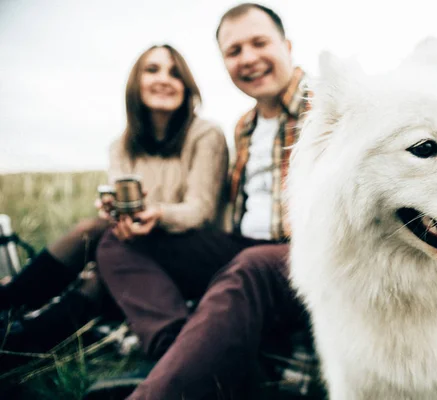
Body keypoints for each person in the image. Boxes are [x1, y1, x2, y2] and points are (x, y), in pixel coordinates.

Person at [104, 3, 320, 399]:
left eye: (259, 43)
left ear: (287, 46)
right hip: (244, 249)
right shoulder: (245, 125)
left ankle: (159, 390)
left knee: (250, 266)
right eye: (234, 51)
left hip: (305, 258)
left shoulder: (327, 106)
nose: (248, 58)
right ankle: (181, 353)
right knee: (117, 240)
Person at [0, 44, 229, 367]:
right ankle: (16, 339)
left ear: (187, 84)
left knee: (98, 237)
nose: (164, 79)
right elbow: (124, 210)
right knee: (101, 238)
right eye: (152, 69)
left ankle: (13, 314)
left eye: (175, 72)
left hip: (194, 250)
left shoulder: (206, 134)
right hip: (139, 245)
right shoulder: (121, 145)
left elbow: (200, 210)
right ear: (136, 81)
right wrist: (116, 213)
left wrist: (158, 214)